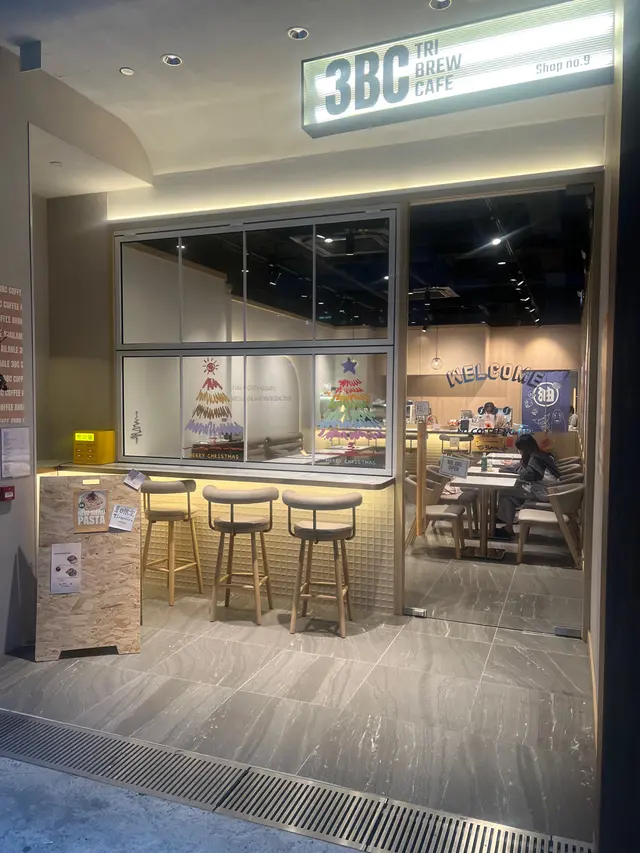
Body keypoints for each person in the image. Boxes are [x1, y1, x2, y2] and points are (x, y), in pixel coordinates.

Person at [494, 433, 560, 539]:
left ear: (525, 449)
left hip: (544, 492)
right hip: (550, 489)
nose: (520, 452)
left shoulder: (535, 459)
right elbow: (528, 471)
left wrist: (512, 468)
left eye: (520, 450)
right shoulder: (539, 454)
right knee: (511, 493)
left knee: (505, 492)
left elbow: (528, 475)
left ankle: (507, 527)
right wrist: (513, 467)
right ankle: (506, 521)